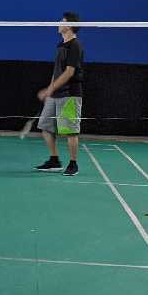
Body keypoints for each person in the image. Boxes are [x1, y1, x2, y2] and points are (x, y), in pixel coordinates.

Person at [34, 12, 84, 174]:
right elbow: (57, 72)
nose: (58, 23)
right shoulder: (60, 45)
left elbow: (69, 72)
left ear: (69, 26)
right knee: (45, 127)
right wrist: (50, 89)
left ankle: (73, 164)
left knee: (70, 131)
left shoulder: (75, 45)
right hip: (55, 94)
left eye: (61, 21)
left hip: (69, 94)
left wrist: (50, 89)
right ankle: (54, 160)